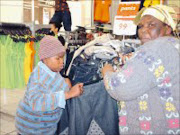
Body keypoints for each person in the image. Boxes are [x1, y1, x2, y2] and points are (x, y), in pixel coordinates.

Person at [102, 5, 179, 134]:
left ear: (168, 28)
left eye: (151, 25)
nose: (143, 30)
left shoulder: (155, 48)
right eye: (141, 26)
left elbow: (122, 88)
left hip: (154, 128)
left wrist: (107, 72)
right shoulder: (174, 45)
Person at [15, 35, 83, 134]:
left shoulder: (52, 70)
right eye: (58, 58)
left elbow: (53, 85)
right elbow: (36, 102)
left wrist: (65, 82)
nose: (62, 62)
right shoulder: (39, 76)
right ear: (45, 58)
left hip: (44, 127)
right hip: (31, 127)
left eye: (62, 58)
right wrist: (69, 94)